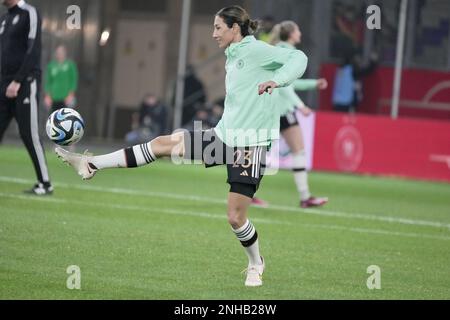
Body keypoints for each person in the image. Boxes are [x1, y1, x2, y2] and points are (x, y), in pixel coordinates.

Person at [55, 5, 308, 287]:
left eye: (218, 28)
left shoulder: (256, 51)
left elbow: (299, 58)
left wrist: (278, 80)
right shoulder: (233, 54)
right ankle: (91, 164)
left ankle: (255, 262)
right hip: (222, 137)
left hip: (251, 145)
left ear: (235, 28)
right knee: (162, 143)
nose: (213, 34)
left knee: (235, 217)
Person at [252, 21, 328, 208]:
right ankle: (304, 197)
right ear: (292, 34)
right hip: (280, 110)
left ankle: (304, 197)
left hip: (275, 109)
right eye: (298, 30)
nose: (300, 33)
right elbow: (282, 85)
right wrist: (300, 105)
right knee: (291, 150)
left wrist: (313, 84)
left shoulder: (280, 50)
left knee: (268, 151)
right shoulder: (285, 52)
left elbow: (291, 84)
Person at [0, 0, 52, 195]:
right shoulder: (5, 18)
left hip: (24, 83)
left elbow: (33, 50)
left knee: (28, 134)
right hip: (4, 84)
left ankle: (45, 183)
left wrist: (18, 81)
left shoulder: (29, 13)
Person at [44, 44, 79, 113]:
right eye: (58, 52)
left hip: (66, 98)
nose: (60, 54)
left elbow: (73, 80)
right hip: (54, 98)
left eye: (61, 52)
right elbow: (48, 81)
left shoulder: (70, 65)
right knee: (54, 119)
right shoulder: (51, 65)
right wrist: (48, 95)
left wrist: (71, 94)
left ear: (65, 53)